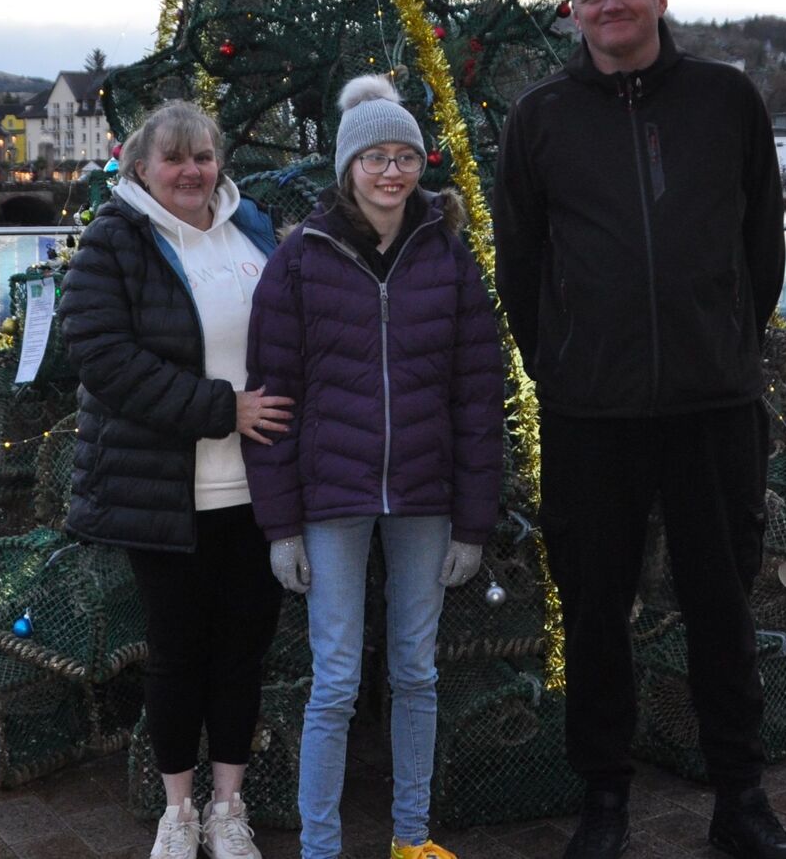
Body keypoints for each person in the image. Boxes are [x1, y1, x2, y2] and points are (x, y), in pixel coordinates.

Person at [492, 0, 786, 859]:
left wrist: (723, 345)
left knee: (722, 602)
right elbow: (521, 262)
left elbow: (763, 245)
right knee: (595, 610)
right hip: (592, 412)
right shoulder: (540, 118)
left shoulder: (726, 99)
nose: (611, 6)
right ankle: (603, 800)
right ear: (572, 9)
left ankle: (741, 797)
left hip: (713, 406)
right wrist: (562, 362)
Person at [243, 75, 505, 859]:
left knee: (416, 672)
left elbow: (477, 396)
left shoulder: (450, 259)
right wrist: (280, 525)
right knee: (334, 681)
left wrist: (473, 521)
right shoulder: (299, 261)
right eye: (375, 157)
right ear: (347, 165)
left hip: (426, 495)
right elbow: (271, 398)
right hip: (332, 497)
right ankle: (321, 847)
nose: (392, 171)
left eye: (405, 156)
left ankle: (411, 838)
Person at [60, 100, 294, 859]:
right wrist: (222, 408)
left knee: (241, 650)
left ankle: (230, 807)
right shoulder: (116, 238)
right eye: (175, 158)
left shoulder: (251, 226)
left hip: (256, 490)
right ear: (141, 168)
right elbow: (102, 354)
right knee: (175, 650)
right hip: (164, 490)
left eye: (203, 155)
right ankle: (178, 809)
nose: (192, 170)